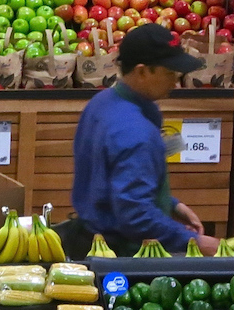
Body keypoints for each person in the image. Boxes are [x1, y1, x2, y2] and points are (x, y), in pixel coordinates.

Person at [69, 23, 218, 257]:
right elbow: (135, 216)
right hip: (122, 252)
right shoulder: (136, 133)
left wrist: (171, 204)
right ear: (142, 71)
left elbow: (116, 182)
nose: (175, 81)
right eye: (169, 72)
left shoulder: (101, 102)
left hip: (86, 237)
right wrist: (197, 242)